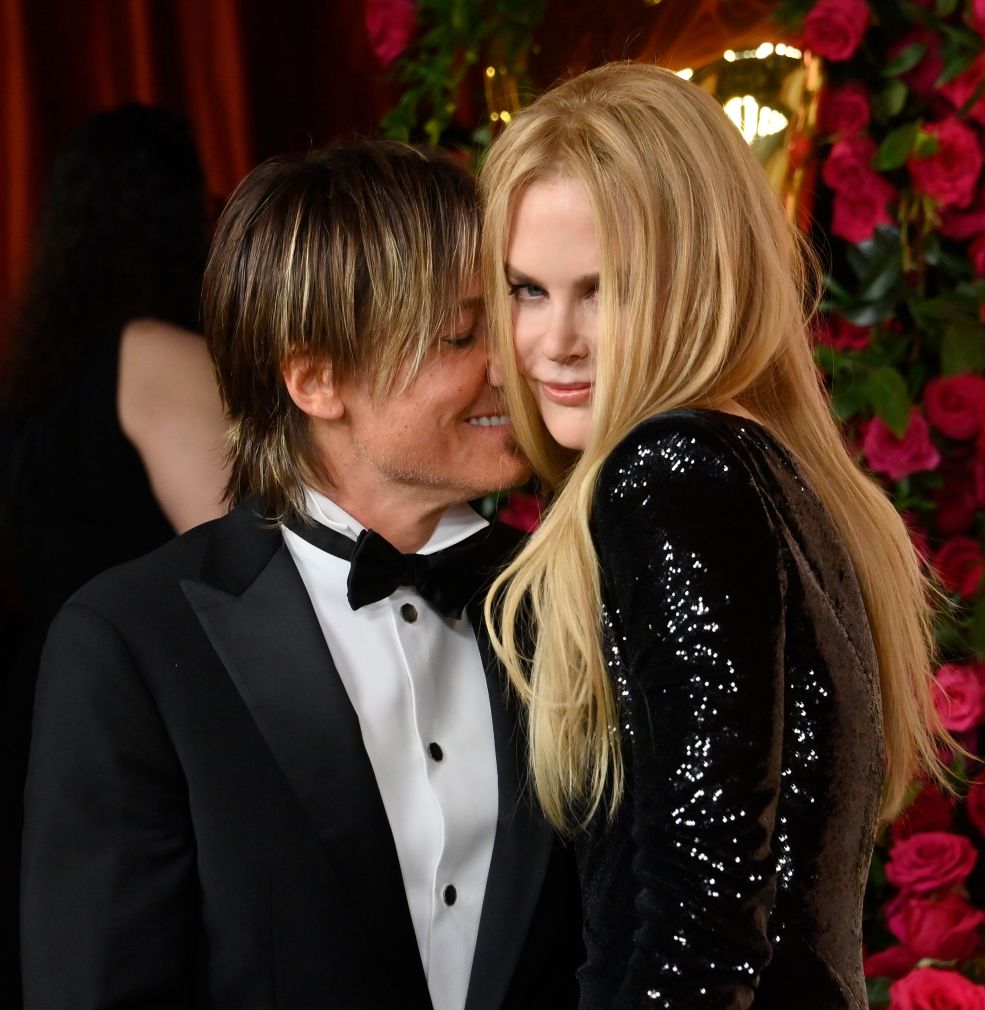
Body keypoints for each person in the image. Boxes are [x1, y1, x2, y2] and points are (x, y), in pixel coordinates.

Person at [21, 141, 581, 1009]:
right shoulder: (128, 643)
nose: (515, 364)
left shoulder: (568, 600)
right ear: (317, 378)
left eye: (506, 321)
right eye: (462, 334)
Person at [481, 62, 951, 1010]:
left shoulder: (667, 470)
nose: (553, 342)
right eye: (527, 290)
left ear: (693, 283)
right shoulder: (776, 468)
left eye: (601, 291)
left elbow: (701, 931)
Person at [1, 104, 226, 1005]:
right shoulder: (158, 354)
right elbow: (239, 567)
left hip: (36, 708)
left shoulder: (36, 380)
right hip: (139, 716)